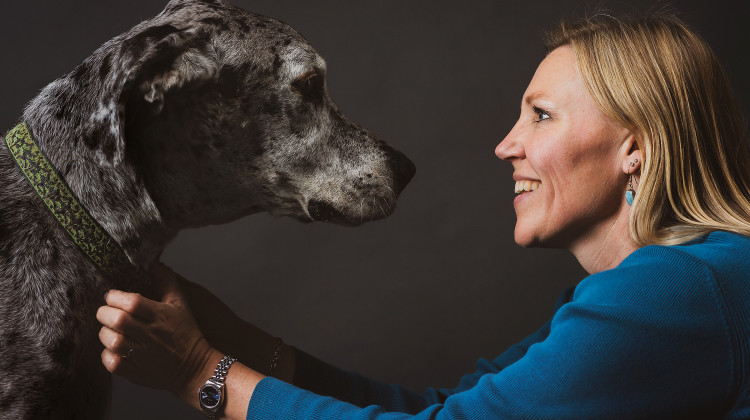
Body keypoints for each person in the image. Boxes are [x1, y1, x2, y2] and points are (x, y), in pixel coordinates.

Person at [97, 12, 750, 419]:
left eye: (541, 115)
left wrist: (199, 374)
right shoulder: (672, 288)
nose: (506, 145)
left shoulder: (675, 290)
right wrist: (236, 339)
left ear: (634, 147)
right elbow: (446, 411)